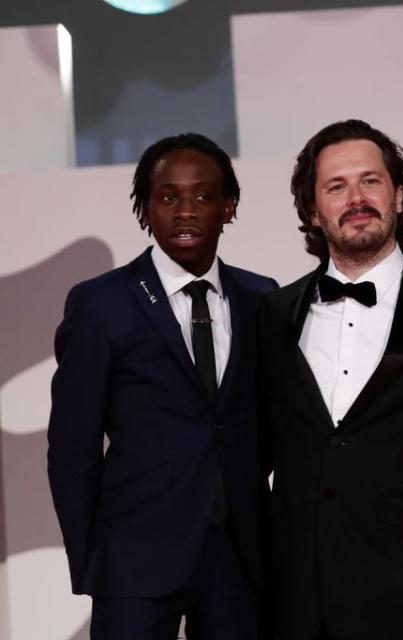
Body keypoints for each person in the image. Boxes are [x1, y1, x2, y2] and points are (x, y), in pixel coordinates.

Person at [47, 133, 277, 639]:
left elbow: (273, 423)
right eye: (168, 197)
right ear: (145, 209)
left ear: (228, 207)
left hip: (239, 561)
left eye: (202, 196)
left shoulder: (262, 298)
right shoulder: (102, 303)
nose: (186, 211)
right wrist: (92, 563)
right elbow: (72, 447)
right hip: (133, 561)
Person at [259, 119, 403, 639]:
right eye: (336, 187)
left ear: (399, 196)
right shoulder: (271, 316)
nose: (356, 198)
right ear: (313, 212)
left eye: (371, 181)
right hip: (299, 605)